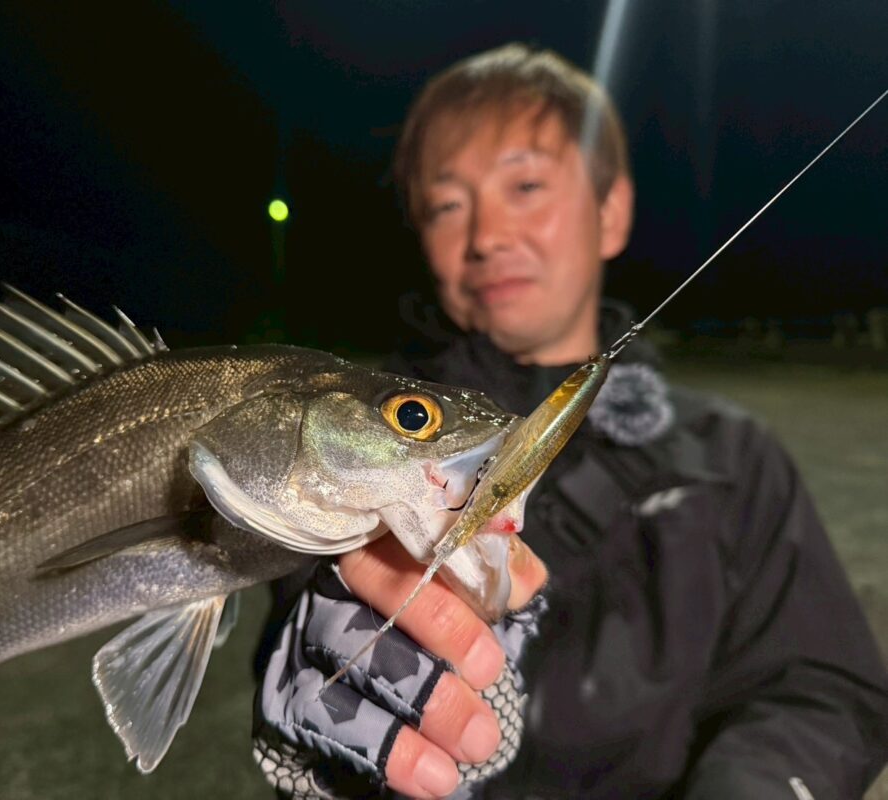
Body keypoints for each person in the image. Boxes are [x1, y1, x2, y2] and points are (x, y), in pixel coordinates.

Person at [252, 43, 888, 799]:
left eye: (526, 185)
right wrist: (310, 682)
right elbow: (293, 606)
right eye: (448, 205)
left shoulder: (733, 456)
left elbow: (821, 688)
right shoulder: (346, 436)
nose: (487, 235)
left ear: (609, 211)